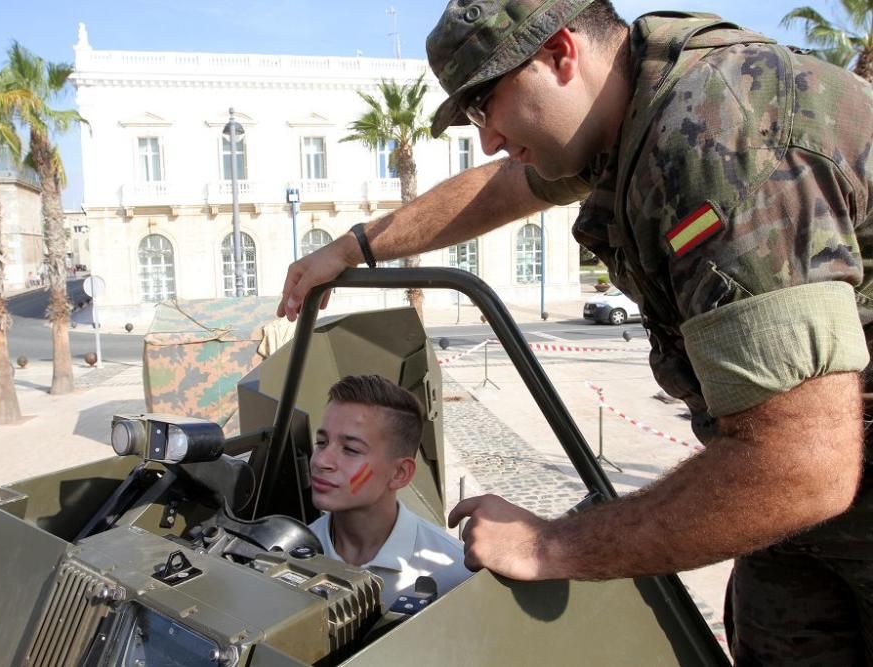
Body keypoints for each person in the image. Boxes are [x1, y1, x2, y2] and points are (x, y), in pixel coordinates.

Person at [279, 1, 873, 662]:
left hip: (818, 473)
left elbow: (803, 464)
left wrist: (550, 545)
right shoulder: (626, 102)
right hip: (803, 514)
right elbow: (503, 186)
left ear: (561, 53)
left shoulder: (717, 135)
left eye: (485, 105)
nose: (489, 137)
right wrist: (356, 246)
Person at [309, 374, 470, 609]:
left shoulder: (455, 574)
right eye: (321, 442)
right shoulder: (293, 553)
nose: (321, 460)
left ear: (400, 473)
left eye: (351, 449)